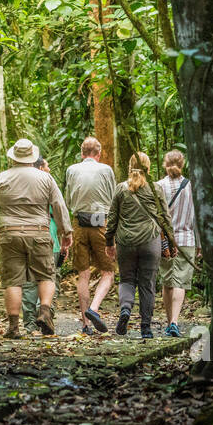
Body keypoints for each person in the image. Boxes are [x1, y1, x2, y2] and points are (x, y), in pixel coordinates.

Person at [0, 139, 73, 338]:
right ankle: (45, 313)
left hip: (9, 233)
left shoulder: (1, 178)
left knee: (13, 280)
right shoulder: (45, 179)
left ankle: (13, 328)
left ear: (13, 156)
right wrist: (67, 233)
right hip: (39, 233)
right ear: (32, 157)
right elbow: (59, 206)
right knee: (46, 275)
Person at [104, 152, 170, 338]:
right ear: (148, 168)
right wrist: (171, 243)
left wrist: (109, 242)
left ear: (129, 167)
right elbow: (165, 218)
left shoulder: (120, 189)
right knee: (147, 284)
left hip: (125, 243)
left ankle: (125, 310)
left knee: (127, 280)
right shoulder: (156, 189)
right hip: (150, 243)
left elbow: (112, 220)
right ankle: (146, 328)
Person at [64, 136, 117, 334]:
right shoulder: (106, 170)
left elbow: (69, 199)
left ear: (82, 153)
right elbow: (113, 199)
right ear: (99, 154)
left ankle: (86, 324)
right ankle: (94, 308)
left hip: (79, 222)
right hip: (100, 221)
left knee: (83, 274)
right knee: (108, 272)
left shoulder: (72, 170)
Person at [155, 149, 198, 338]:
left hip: (164, 241)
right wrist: (200, 243)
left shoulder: (158, 186)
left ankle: (168, 321)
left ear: (165, 164)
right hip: (186, 239)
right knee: (180, 280)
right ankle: (174, 322)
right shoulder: (191, 187)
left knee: (167, 280)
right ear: (183, 164)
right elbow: (196, 217)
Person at [21, 157, 63, 333]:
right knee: (50, 280)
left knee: (30, 282)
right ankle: (45, 315)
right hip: (48, 240)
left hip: (25, 238)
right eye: (47, 166)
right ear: (39, 167)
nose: (49, 170)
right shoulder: (47, 185)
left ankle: (30, 325)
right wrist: (66, 236)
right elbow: (59, 210)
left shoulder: (21, 185)